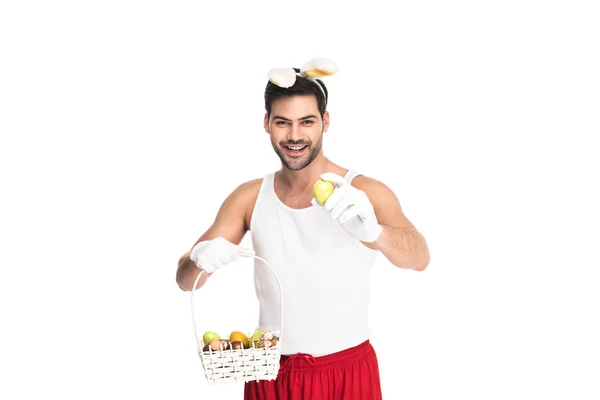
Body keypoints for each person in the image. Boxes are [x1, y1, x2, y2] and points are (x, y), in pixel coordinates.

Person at [176, 58, 430, 399]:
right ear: (266, 123)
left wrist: (375, 234)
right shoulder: (249, 198)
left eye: (306, 122)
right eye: (283, 122)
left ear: (325, 122)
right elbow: (184, 280)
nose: (295, 135)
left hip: (348, 372)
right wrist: (199, 259)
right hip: (271, 373)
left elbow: (420, 256)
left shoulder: (364, 191)